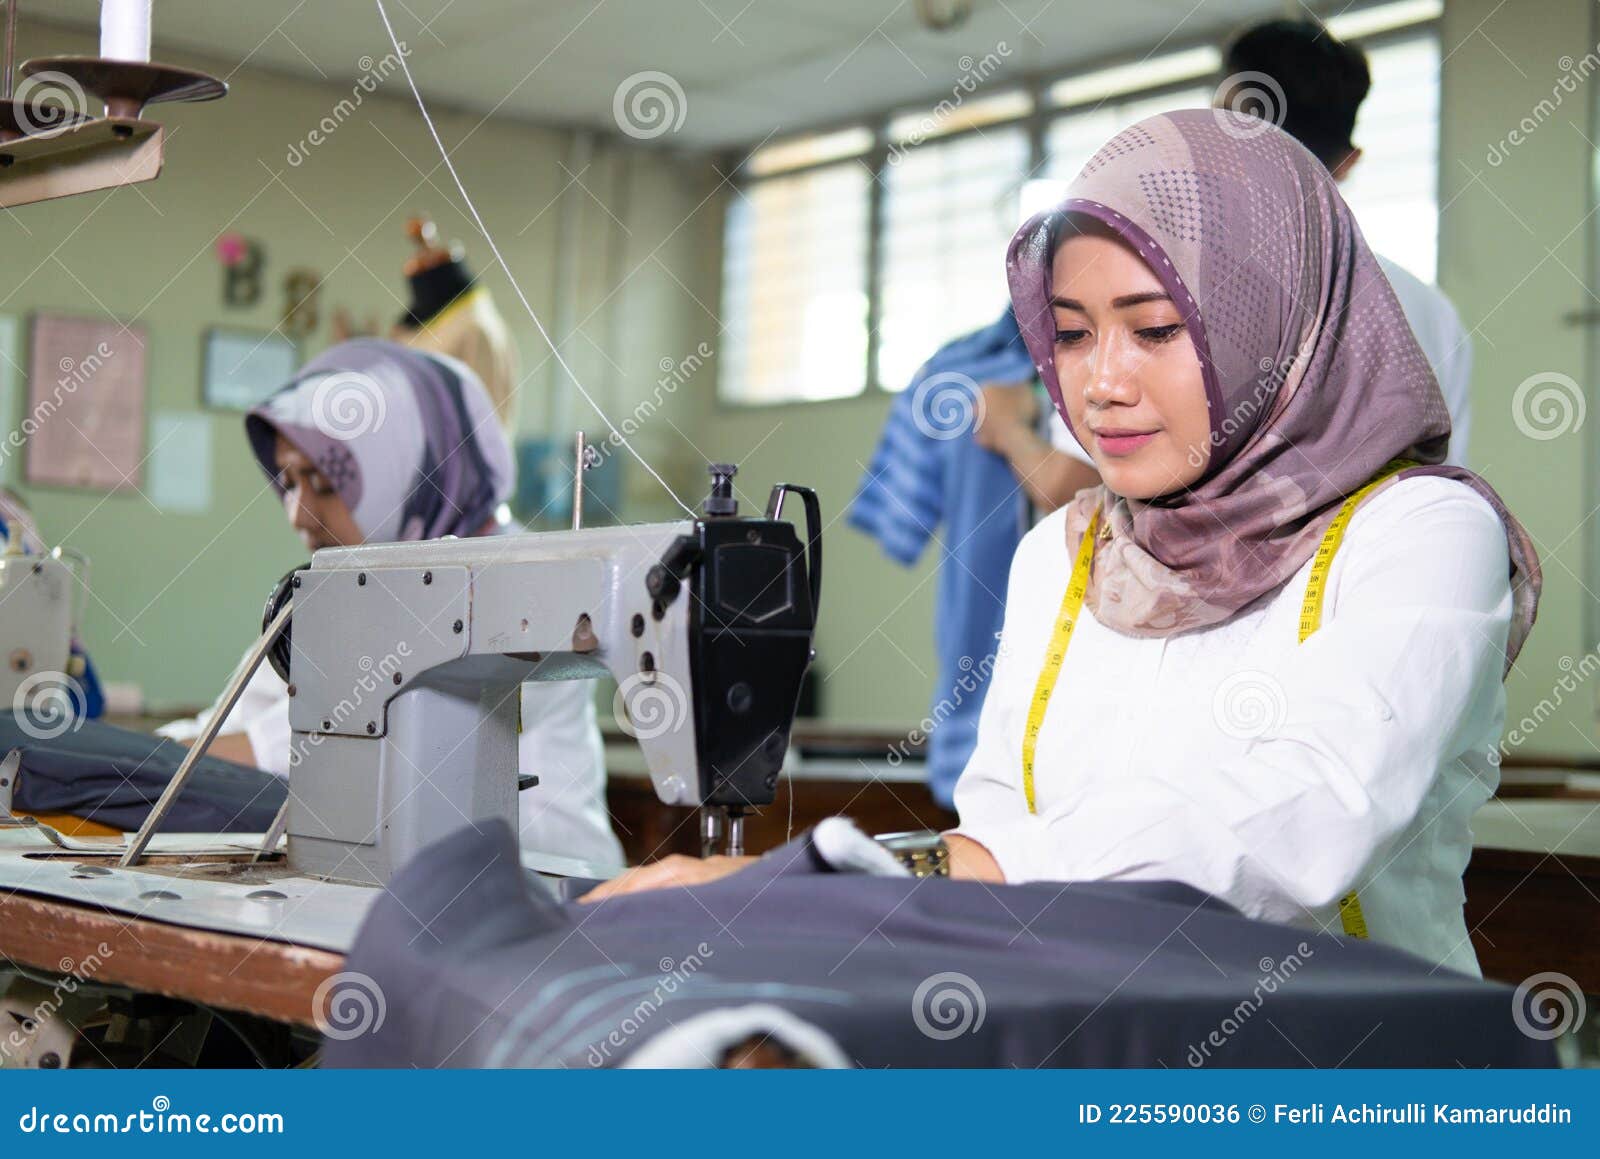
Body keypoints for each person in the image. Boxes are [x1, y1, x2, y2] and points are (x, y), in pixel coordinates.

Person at [582, 112, 1540, 979]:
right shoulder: (1066, 551)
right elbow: (1005, 837)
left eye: (1157, 330)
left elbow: (1296, 824)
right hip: (1099, 1042)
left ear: (1277, 331)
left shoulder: (1419, 534)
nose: (1100, 383)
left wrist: (852, 882)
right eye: (1073, 335)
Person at [159, 339, 623, 869]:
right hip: (430, 886)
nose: (297, 514)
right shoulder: (348, 590)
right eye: (289, 482)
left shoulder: (514, 581)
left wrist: (121, 764)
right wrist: (123, 759)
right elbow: (224, 726)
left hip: (554, 895)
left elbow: (293, 749)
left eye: (323, 481)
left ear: (409, 468)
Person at [1220, 16, 1473, 466]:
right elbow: (1449, 487)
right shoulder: (1432, 312)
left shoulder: (1188, 292)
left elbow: (1096, 492)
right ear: (1349, 162)